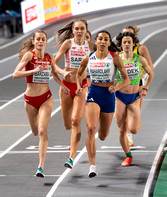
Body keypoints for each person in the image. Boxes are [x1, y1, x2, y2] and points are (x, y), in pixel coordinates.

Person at [13, 30, 69, 178]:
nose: (40, 41)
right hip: (30, 100)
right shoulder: (29, 55)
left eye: (43, 39)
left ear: (45, 42)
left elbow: (55, 70)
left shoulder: (49, 57)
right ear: (33, 41)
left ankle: (41, 167)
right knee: (35, 132)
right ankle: (40, 164)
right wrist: (34, 71)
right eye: (38, 39)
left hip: (46, 98)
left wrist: (63, 78)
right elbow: (15, 74)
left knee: (43, 131)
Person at [76, 30, 130, 177]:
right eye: (100, 39)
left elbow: (126, 80)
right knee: (91, 129)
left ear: (108, 42)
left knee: (103, 135)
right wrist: (80, 86)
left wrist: (116, 87)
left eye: (106, 39)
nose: (103, 41)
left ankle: (101, 135)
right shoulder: (88, 57)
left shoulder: (115, 58)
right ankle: (92, 165)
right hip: (93, 93)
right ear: (96, 41)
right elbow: (79, 72)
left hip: (108, 96)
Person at [54, 19, 94, 169]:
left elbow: (98, 64)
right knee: (67, 124)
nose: (79, 31)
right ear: (73, 30)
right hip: (66, 86)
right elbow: (54, 63)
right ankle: (73, 139)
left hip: (81, 86)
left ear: (86, 30)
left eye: (82, 28)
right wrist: (63, 72)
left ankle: (71, 158)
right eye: (76, 28)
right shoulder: (68, 44)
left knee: (76, 120)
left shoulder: (90, 46)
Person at [115, 32, 154, 166]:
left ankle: (128, 140)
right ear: (121, 45)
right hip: (119, 97)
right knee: (121, 129)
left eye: (129, 42)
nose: (126, 44)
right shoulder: (116, 59)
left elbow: (151, 73)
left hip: (134, 97)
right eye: (124, 42)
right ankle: (128, 156)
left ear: (133, 44)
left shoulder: (140, 59)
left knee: (133, 129)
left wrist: (146, 87)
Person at [122, 25, 154, 146]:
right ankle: (124, 133)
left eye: (129, 35)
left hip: (137, 84)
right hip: (122, 85)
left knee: (133, 111)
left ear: (134, 36)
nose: (127, 37)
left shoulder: (141, 49)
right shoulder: (120, 49)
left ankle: (129, 136)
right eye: (124, 35)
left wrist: (141, 76)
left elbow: (150, 66)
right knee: (122, 113)